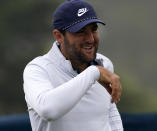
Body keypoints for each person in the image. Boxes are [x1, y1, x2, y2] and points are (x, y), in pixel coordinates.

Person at [23, 0, 123, 131]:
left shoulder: (104, 64)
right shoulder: (38, 69)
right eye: (81, 31)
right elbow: (48, 110)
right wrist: (94, 73)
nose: (91, 39)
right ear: (59, 36)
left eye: (94, 30)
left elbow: (110, 113)